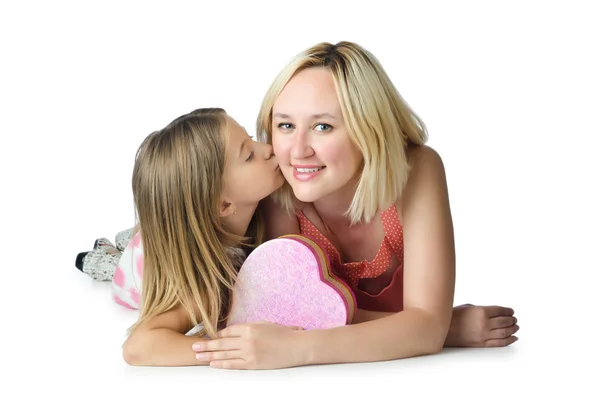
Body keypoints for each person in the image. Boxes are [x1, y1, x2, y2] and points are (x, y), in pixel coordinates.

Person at [189, 41, 519, 370]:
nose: (297, 151)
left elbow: (427, 331)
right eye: (286, 125)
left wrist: (300, 347)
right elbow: (299, 313)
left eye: (323, 126)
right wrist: (447, 327)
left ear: (369, 130)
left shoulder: (417, 171)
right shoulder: (279, 192)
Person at [120, 107, 286, 366]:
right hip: (137, 257)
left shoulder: (256, 209)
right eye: (249, 155)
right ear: (222, 205)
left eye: (251, 138)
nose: (267, 148)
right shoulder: (209, 285)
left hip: (161, 235)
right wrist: (235, 349)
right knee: (112, 256)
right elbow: (139, 346)